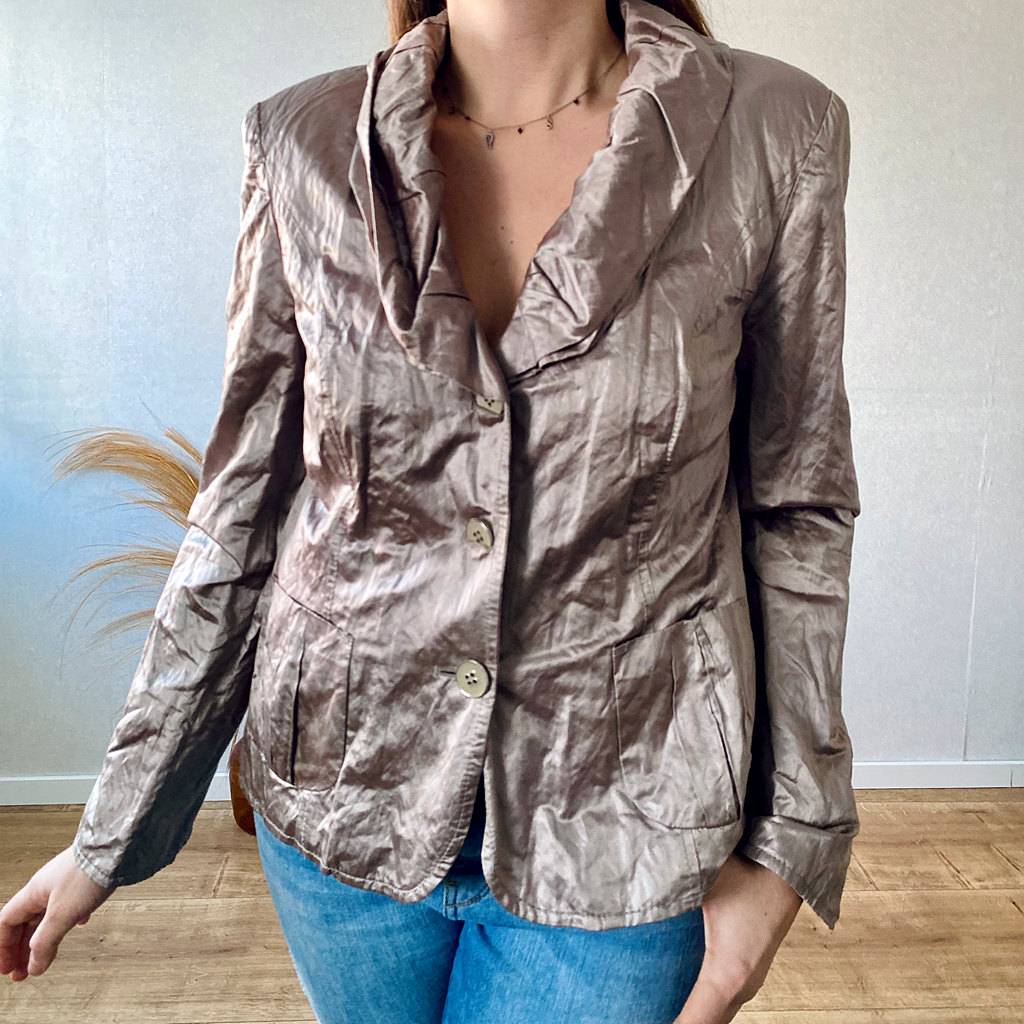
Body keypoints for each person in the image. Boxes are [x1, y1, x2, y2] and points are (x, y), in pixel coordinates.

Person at [0, 0, 862, 1021]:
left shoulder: (773, 130)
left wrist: (792, 839)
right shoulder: (302, 139)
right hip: (342, 803)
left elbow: (797, 503)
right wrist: (110, 829)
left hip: (628, 816)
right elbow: (243, 507)